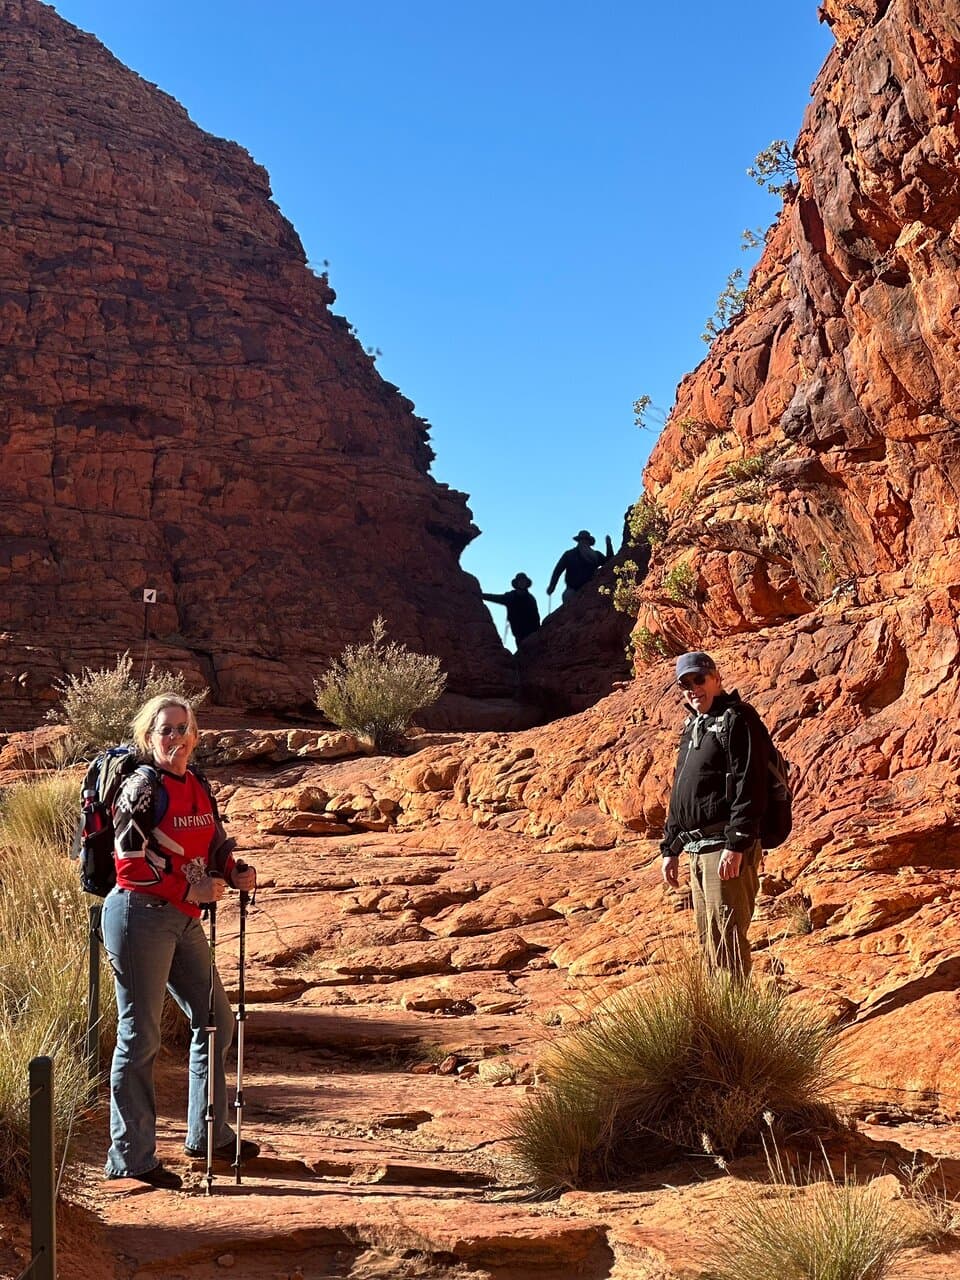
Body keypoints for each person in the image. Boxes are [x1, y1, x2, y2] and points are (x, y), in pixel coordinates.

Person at [102, 693, 259, 1189]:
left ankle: (208, 1134)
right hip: (139, 916)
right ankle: (132, 1157)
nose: (175, 738)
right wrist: (190, 889)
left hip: (183, 918)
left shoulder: (197, 785)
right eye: (165, 730)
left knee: (216, 1020)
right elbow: (128, 863)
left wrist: (233, 871)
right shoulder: (140, 787)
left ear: (195, 735)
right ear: (149, 737)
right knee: (140, 1035)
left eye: (182, 729)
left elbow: (213, 843)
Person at [660, 652, 769, 978]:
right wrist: (670, 848)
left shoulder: (738, 719)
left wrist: (736, 844)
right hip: (696, 848)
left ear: (716, 679)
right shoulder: (695, 725)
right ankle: (718, 1010)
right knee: (709, 941)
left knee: (727, 939)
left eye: (699, 680)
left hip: (723, 847)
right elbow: (681, 791)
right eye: (685, 684)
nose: (693, 689)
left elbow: (751, 784)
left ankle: (736, 1009)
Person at [546, 530, 614, 604]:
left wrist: (609, 545)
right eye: (582, 539)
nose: (584, 542)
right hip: (572, 590)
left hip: (591, 588)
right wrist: (552, 586)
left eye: (586, 540)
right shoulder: (569, 555)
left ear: (589, 542)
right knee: (568, 597)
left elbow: (610, 563)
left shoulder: (596, 555)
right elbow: (557, 571)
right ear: (579, 541)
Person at [482, 573, 541, 645]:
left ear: (526, 583)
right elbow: (495, 598)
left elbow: (536, 616)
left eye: (523, 581)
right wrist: (482, 595)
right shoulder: (510, 597)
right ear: (517, 583)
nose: (522, 583)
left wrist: (538, 632)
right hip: (518, 633)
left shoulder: (531, 599)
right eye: (520, 581)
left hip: (531, 632)